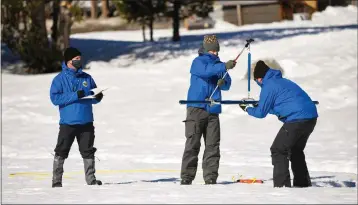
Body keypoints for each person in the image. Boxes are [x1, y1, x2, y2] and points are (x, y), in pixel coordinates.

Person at [239, 60, 318, 188]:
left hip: (296, 119)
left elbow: (260, 113)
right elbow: (278, 106)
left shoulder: (268, 86)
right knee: (295, 150)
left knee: (278, 150)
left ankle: (282, 186)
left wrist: (247, 108)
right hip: (310, 117)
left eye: (256, 81)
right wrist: (258, 105)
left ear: (259, 78)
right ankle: (302, 184)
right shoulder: (282, 81)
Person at [180, 35, 237, 185]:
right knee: (193, 144)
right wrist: (224, 66)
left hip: (213, 109)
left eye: (216, 50)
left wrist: (223, 81)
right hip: (196, 108)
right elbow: (206, 71)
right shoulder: (198, 62)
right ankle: (187, 177)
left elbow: (227, 85)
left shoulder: (218, 64)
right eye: (212, 50)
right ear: (206, 49)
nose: (215, 53)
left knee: (212, 145)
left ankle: (211, 177)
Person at [50, 47, 104, 187]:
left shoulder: (87, 78)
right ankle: (56, 181)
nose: (80, 61)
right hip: (68, 123)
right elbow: (55, 99)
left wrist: (98, 97)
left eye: (80, 58)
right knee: (61, 151)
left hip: (86, 122)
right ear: (69, 61)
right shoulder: (59, 79)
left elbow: (93, 96)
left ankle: (91, 180)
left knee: (88, 151)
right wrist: (76, 95)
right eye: (77, 59)